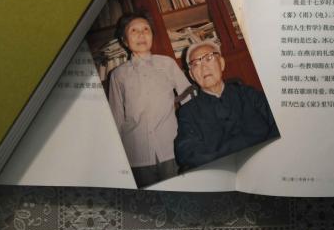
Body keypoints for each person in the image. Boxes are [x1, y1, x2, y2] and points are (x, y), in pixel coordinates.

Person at [108, 11, 192, 187]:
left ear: (152, 35)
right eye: (134, 30)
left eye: (146, 29)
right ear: (124, 41)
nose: (141, 34)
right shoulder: (118, 75)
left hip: (172, 149)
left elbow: (189, 100)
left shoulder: (167, 64)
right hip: (136, 156)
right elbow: (116, 118)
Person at [174, 40, 280, 170]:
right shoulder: (188, 112)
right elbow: (186, 151)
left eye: (209, 58)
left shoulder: (248, 94)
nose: (204, 67)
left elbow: (279, 121)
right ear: (191, 75)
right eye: (196, 64)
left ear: (222, 63)